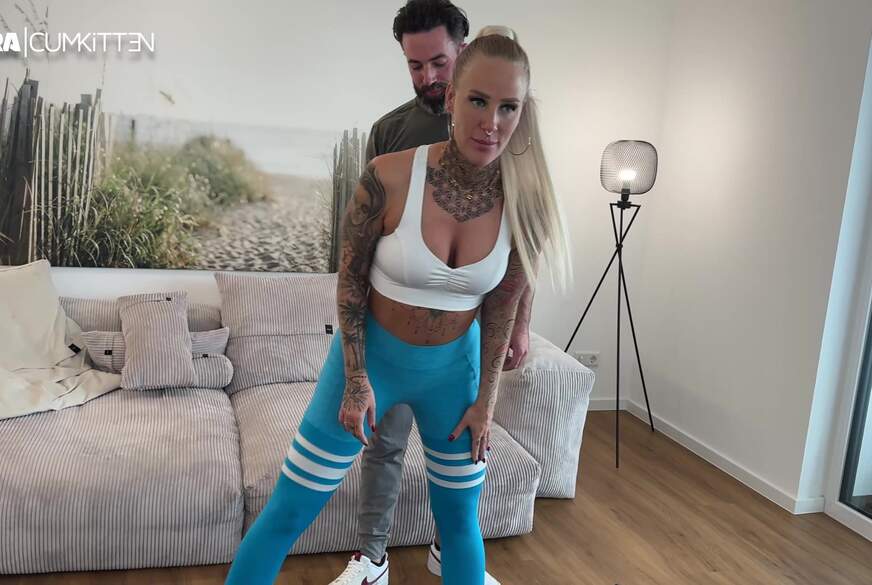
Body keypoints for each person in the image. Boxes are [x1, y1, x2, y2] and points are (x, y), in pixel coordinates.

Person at [224, 25, 571, 585]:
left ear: (521, 111)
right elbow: (350, 283)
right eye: (478, 101)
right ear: (451, 95)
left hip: (454, 376)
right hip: (369, 367)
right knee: (288, 511)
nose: (491, 122)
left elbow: (501, 311)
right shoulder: (389, 176)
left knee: (461, 524)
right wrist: (356, 380)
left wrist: (486, 403)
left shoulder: (524, 203)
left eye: (508, 107)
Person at [332, 4, 531, 584]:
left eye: (438, 63)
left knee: (463, 447)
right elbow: (362, 252)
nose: (427, 77)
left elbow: (522, 245)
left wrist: (520, 323)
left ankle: (452, 554)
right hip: (393, 336)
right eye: (414, 66)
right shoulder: (389, 134)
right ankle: (373, 559)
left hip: (466, 332)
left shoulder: (505, 130)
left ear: (463, 53)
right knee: (383, 445)